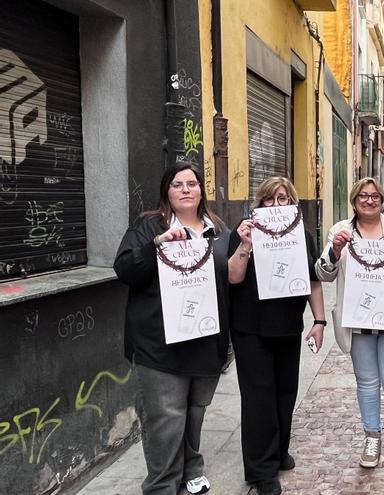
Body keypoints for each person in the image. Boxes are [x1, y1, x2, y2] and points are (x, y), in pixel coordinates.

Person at [113, 163, 230, 495]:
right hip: (159, 344)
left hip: (206, 341)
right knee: (164, 418)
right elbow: (124, 268)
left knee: (194, 413)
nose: (185, 189)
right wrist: (157, 245)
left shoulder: (218, 230)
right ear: (167, 191)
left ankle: (190, 470)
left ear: (201, 190)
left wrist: (246, 248)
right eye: (177, 184)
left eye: (192, 183)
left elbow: (231, 278)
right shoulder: (149, 227)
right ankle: (162, 485)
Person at [315, 177, 384, 481]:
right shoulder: (340, 230)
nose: (369, 200)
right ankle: (372, 438)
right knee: (366, 383)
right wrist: (334, 252)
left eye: (375, 195)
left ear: (382, 199)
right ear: (354, 200)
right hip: (358, 321)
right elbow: (324, 274)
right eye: (363, 196)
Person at [227, 177, 327, 495]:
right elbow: (233, 276)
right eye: (269, 200)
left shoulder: (304, 236)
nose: (276, 205)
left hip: (287, 324)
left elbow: (313, 281)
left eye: (283, 199)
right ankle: (261, 470)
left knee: (286, 392)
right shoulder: (244, 232)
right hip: (250, 326)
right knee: (259, 397)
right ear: (259, 204)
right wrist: (245, 246)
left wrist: (320, 321)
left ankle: (279, 450)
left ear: (293, 203)